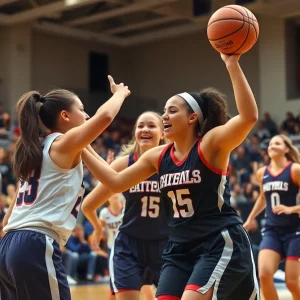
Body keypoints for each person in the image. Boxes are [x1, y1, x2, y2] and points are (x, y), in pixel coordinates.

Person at [82, 53, 259, 300]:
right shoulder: (157, 156)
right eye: (163, 111)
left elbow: (249, 116)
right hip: (178, 248)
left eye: (172, 111)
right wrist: (81, 145)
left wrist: (232, 64)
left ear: (192, 117)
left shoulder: (210, 144)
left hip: (216, 240)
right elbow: (114, 181)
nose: (164, 115)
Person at [0, 76, 130, 300]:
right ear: (65, 116)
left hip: (8, 245)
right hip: (36, 243)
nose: (87, 115)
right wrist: (119, 93)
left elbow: (115, 181)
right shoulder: (63, 143)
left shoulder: (34, 151)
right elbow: (105, 116)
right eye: (81, 109)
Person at [82, 111, 168, 300]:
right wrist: (98, 229)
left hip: (166, 245)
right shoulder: (124, 164)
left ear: (162, 133)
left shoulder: (173, 162)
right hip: (129, 246)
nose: (145, 129)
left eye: (151, 126)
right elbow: (88, 205)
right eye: (140, 126)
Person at [244, 134, 300, 300]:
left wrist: (292, 209)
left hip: (294, 231)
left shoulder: (295, 169)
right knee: (264, 274)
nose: (272, 146)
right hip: (271, 230)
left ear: (286, 149)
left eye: (277, 143)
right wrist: (250, 218)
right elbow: (262, 197)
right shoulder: (262, 173)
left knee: (292, 282)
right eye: (270, 144)